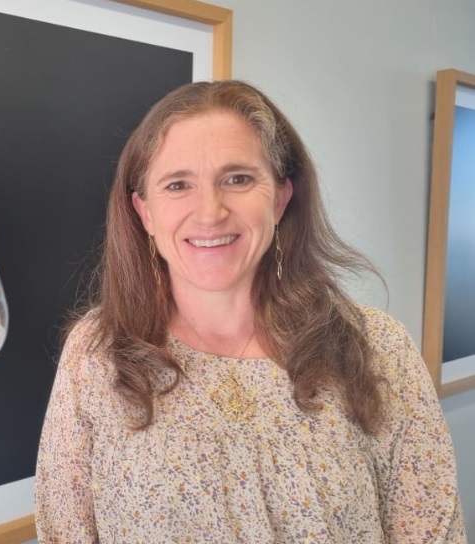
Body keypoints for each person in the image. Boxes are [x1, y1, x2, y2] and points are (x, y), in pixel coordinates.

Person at [34, 80, 466, 543]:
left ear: (281, 198)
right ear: (145, 213)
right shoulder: (97, 353)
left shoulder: (378, 348)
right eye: (178, 184)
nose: (210, 212)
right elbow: (66, 531)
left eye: (237, 178)